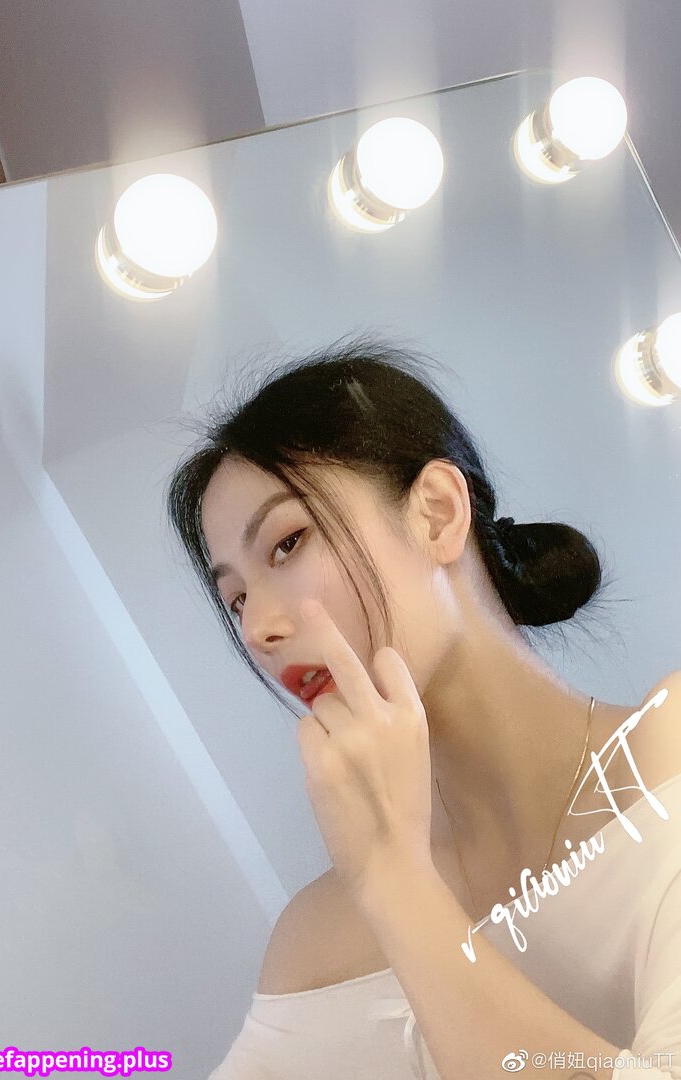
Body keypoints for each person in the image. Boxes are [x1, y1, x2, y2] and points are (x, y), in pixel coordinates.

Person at [165, 335, 681, 1080]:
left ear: (438, 514)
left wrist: (393, 879)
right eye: (236, 598)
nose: (259, 629)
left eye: (286, 544)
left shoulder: (668, 752)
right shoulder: (318, 946)